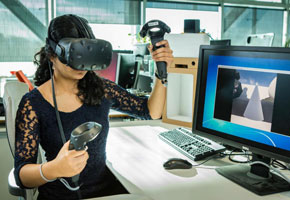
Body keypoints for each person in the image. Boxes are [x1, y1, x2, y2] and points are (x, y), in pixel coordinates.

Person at [14, 14, 173, 200]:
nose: (81, 64)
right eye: (74, 54)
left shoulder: (101, 89)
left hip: (105, 191)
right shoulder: (33, 104)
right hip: (60, 195)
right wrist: (53, 168)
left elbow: (150, 112)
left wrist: (160, 70)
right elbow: (22, 176)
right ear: (52, 54)